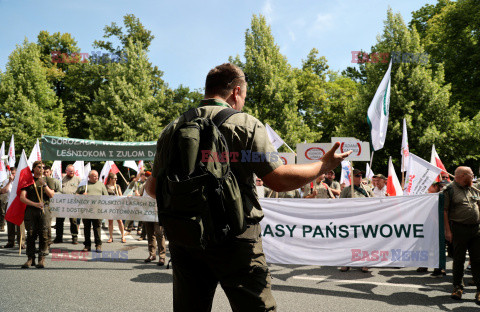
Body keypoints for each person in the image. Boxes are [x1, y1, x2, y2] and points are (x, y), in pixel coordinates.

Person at [144, 63, 351, 311]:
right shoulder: (245, 124)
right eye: (243, 96)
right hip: (236, 240)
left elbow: (153, 189)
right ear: (236, 91)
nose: (242, 101)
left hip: (185, 238)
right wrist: (322, 164)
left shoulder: (171, 129)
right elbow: (278, 179)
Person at [443, 166, 480, 303]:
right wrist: (448, 231)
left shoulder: (473, 188)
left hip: (476, 229)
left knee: (477, 260)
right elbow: (444, 211)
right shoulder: (449, 190)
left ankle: (479, 290)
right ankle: (457, 287)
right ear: (463, 176)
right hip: (458, 229)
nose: (473, 177)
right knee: (458, 260)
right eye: (471, 175)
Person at [20, 161, 55, 268]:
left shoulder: (48, 180)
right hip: (31, 210)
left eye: (43, 167)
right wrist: (35, 204)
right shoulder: (28, 180)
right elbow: (22, 197)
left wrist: (43, 184)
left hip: (44, 210)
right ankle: (30, 258)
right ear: (34, 168)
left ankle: (41, 258)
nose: (41, 169)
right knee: (30, 234)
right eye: (39, 167)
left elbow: (51, 194)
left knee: (44, 234)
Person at [339, 168, 373, 273]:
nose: (359, 178)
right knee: (349, 242)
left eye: (360, 176)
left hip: (364, 219)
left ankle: (365, 263)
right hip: (350, 219)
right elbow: (340, 205)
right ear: (352, 178)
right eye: (357, 176)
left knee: (364, 242)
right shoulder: (346, 190)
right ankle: (347, 262)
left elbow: (375, 203)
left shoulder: (367, 189)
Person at [76, 170, 108, 253]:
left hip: (97, 210)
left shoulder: (101, 185)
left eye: (97, 176)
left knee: (97, 228)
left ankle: (98, 245)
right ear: (89, 177)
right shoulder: (84, 185)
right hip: (86, 210)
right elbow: (75, 195)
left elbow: (106, 197)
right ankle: (87, 245)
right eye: (94, 176)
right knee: (86, 228)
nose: (96, 177)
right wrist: (82, 195)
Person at [54, 164, 80, 244]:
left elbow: (82, 190)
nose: (72, 172)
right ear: (66, 171)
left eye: (73, 171)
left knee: (73, 221)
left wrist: (78, 194)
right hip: (62, 203)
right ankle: (58, 237)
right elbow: (57, 189)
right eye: (70, 171)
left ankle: (74, 237)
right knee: (59, 221)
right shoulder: (61, 179)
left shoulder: (78, 179)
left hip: (73, 204)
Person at [1, 167, 24, 249]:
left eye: (14, 173)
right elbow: (4, 191)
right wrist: (10, 182)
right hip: (9, 204)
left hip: (19, 204)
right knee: (10, 223)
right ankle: (11, 241)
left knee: (20, 224)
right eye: (11, 173)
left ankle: (21, 242)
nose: (12, 175)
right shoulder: (7, 181)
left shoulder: (21, 181)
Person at [105, 172, 126, 243]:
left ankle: (123, 236)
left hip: (117, 207)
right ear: (110, 179)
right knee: (110, 222)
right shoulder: (106, 186)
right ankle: (111, 237)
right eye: (115, 178)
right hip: (110, 206)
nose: (116, 180)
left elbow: (121, 195)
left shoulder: (117, 186)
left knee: (119, 221)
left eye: (116, 178)